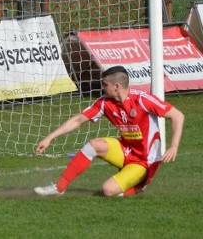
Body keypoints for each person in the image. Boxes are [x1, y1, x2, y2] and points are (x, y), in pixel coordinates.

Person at [33, 65, 185, 197]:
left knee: (107, 190)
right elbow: (78, 120)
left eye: (105, 84)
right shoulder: (104, 103)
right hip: (126, 150)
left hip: (146, 160)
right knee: (94, 144)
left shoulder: (142, 100)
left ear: (116, 86)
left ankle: (138, 186)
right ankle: (59, 187)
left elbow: (178, 116)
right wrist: (49, 138)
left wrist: (174, 146)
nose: (102, 87)